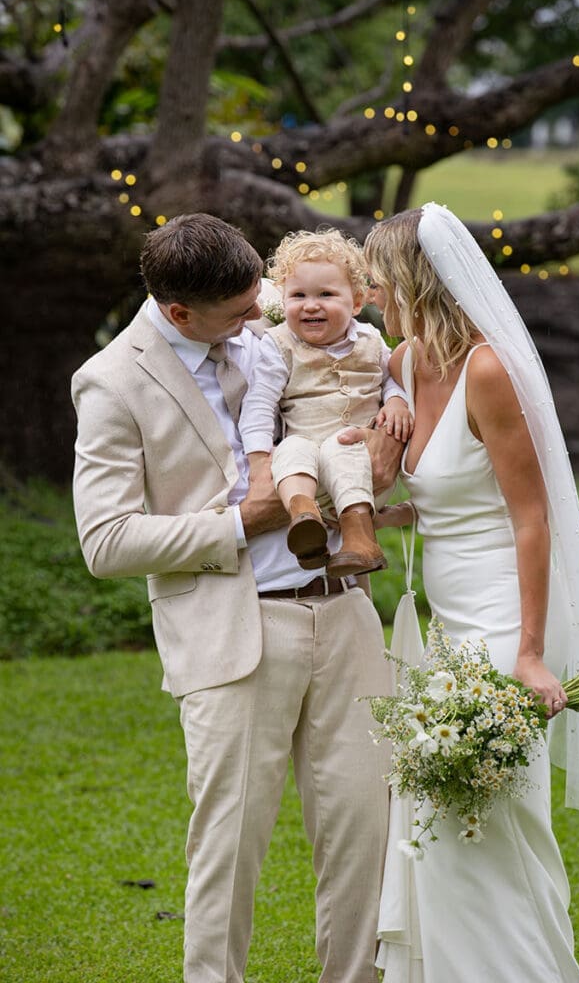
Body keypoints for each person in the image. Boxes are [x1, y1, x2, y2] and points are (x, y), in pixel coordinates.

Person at [71, 212, 400, 983]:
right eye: (243, 310)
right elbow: (106, 542)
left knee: (367, 832)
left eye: (262, 298)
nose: (265, 316)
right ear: (179, 313)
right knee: (230, 845)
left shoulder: (271, 331)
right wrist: (242, 518)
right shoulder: (113, 381)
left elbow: (346, 388)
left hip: (345, 608)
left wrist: (381, 443)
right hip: (234, 628)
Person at [363, 203, 579, 983]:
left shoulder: (488, 370)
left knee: (488, 814)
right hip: (444, 624)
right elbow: (440, 499)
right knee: (438, 821)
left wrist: (530, 653)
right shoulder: (404, 364)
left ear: (417, 280)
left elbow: (529, 518)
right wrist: (374, 499)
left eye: (381, 278)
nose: (373, 292)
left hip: (503, 623)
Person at [239, 228, 413, 577]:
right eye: (298, 295)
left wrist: (395, 402)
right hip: (305, 474)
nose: (311, 304)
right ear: (283, 299)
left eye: (327, 294)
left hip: (361, 474)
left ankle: (358, 537)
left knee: (341, 447)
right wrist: (259, 462)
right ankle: (305, 518)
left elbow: (391, 378)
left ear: (358, 301)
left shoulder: (370, 339)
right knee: (290, 447)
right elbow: (258, 406)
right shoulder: (278, 345)